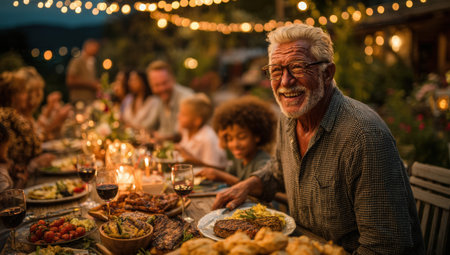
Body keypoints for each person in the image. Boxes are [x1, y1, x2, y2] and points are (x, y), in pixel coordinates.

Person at [212, 24, 424, 254]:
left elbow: (386, 246)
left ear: (327, 73)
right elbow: (278, 170)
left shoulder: (363, 136)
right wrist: (247, 184)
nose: (285, 82)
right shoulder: (289, 118)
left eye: (298, 67)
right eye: (276, 71)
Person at [196, 96, 277, 186]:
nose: (235, 144)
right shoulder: (240, 160)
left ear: (257, 136)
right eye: (230, 139)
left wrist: (223, 177)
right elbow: (226, 175)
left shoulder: (263, 162)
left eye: (242, 137)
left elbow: (257, 189)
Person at [175, 93, 228, 169]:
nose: (178, 116)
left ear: (197, 121)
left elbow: (214, 169)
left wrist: (190, 158)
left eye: (183, 115)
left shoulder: (208, 138)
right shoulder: (186, 131)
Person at [146, 60, 193, 141]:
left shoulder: (186, 99)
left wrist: (157, 138)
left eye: (164, 83)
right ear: (151, 85)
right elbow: (148, 126)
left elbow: (179, 135)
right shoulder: (160, 99)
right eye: (157, 85)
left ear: (173, 79)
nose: (162, 88)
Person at [66, 39, 101, 104]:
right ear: (87, 47)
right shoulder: (77, 61)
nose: (96, 50)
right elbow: (70, 81)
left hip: (89, 101)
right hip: (79, 101)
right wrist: (91, 84)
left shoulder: (92, 61)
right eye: (94, 47)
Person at [0, 123, 13, 192]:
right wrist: (22, 180)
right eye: (6, 146)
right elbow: (8, 198)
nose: (7, 149)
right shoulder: (1, 175)